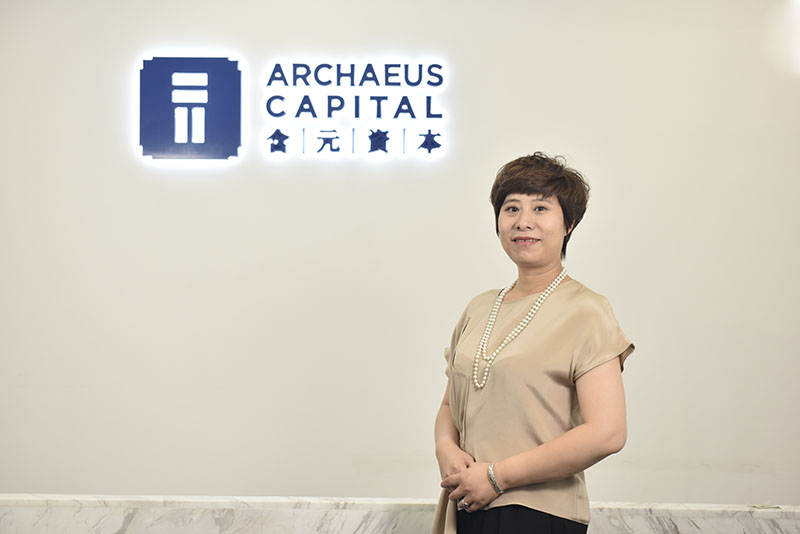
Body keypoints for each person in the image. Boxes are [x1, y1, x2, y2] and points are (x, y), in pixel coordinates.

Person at [431, 153, 634, 534]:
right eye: (511, 208)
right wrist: (446, 449)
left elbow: (607, 432)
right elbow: (449, 406)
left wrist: (497, 476)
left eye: (540, 208)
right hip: (467, 502)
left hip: (538, 513)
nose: (523, 221)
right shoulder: (479, 308)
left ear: (568, 223)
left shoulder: (586, 310)